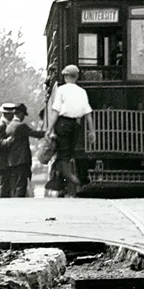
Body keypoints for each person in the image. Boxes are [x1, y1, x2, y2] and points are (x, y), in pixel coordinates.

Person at [45, 64, 96, 195]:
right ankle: (65, 182)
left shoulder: (61, 90)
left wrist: (49, 128)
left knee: (63, 154)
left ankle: (70, 181)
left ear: (66, 76)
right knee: (71, 153)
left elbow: (56, 111)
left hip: (62, 124)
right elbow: (88, 113)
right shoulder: (82, 91)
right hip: (76, 125)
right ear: (77, 77)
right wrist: (92, 131)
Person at [3, 103, 44, 197]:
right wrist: (48, 132)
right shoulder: (21, 126)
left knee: (15, 186)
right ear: (21, 114)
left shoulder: (9, 126)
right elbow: (35, 134)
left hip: (12, 161)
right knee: (21, 186)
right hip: (21, 161)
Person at [0, 102, 16, 198]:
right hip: (2, 161)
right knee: (3, 185)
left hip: (5, 161)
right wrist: (9, 141)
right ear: (6, 114)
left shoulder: (5, 124)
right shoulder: (2, 126)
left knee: (6, 185)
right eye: (11, 114)